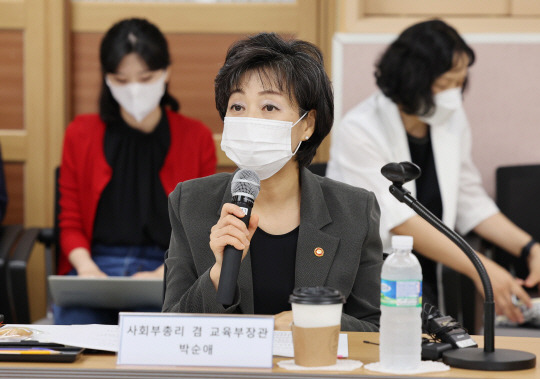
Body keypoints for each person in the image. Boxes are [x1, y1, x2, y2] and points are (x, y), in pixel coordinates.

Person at [162, 33, 382, 331]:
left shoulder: (354, 209)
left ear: (306, 124)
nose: (250, 119)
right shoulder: (190, 202)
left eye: (269, 107)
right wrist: (215, 276)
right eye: (237, 107)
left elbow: (375, 330)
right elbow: (170, 329)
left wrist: (314, 321)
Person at [327, 19, 540, 323]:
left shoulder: (450, 120)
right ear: (411, 80)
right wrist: (480, 267)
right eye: (444, 84)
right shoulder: (359, 129)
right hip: (377, 274)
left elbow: (469, 200)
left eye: (459, 82)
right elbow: (397, 222)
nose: (453, 94)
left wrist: (530, 248)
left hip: (430, 271)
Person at [56, 18, 217, 324]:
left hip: (169, 267)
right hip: (97, 265)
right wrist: (88, 270)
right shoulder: (80, 134)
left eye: (145, 79)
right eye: (121, 79)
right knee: (74, 326)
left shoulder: (195, 138)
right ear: (106, 78)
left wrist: (164, 272)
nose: (134, 91)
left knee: (158, 332)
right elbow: (70, 222)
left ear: (166, 72)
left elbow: (201, 227)